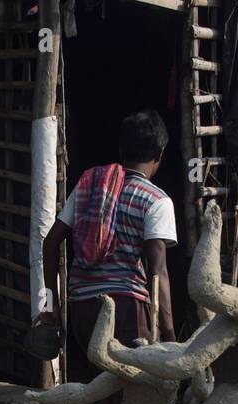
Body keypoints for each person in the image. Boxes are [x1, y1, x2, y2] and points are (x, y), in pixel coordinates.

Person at [35, 110, 177, 381]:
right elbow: (158, 272)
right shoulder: (157, 200)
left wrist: (51, 306)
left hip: (82, 311)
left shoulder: (90, 186)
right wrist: (170, 336)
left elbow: (51, 241)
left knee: (103, 387)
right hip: (126, 312)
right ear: (160, 154)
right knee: (136, 394)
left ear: (121, 149)